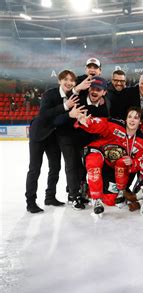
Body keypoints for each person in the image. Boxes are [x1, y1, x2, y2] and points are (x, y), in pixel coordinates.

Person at [73, 107, 143, 214]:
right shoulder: (116, 125)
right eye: (130, 117)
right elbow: (101, 125)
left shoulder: (141, 141)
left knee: (110, 200)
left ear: (140, 122)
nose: (132, 120)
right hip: (99, 153)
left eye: (136, 118)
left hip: (114, 168)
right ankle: (96, 199)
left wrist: (133, 162)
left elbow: (140, 162)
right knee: (94, 161)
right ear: (125, 119)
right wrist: (87, 122)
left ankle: (120, 192)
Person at [25, 69, 77, 213]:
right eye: (66, 79)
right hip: (39, 134)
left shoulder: (72, 96)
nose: (69, 82)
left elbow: (61, 119)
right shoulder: (50, 94)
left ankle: (50, 197)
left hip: (53, 136)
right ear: (59, 81)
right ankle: (30, 202)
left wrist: (72, 115)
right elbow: (45, 114)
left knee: (55, 167)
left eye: (72, 80)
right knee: (34, 169)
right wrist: (66, 108)